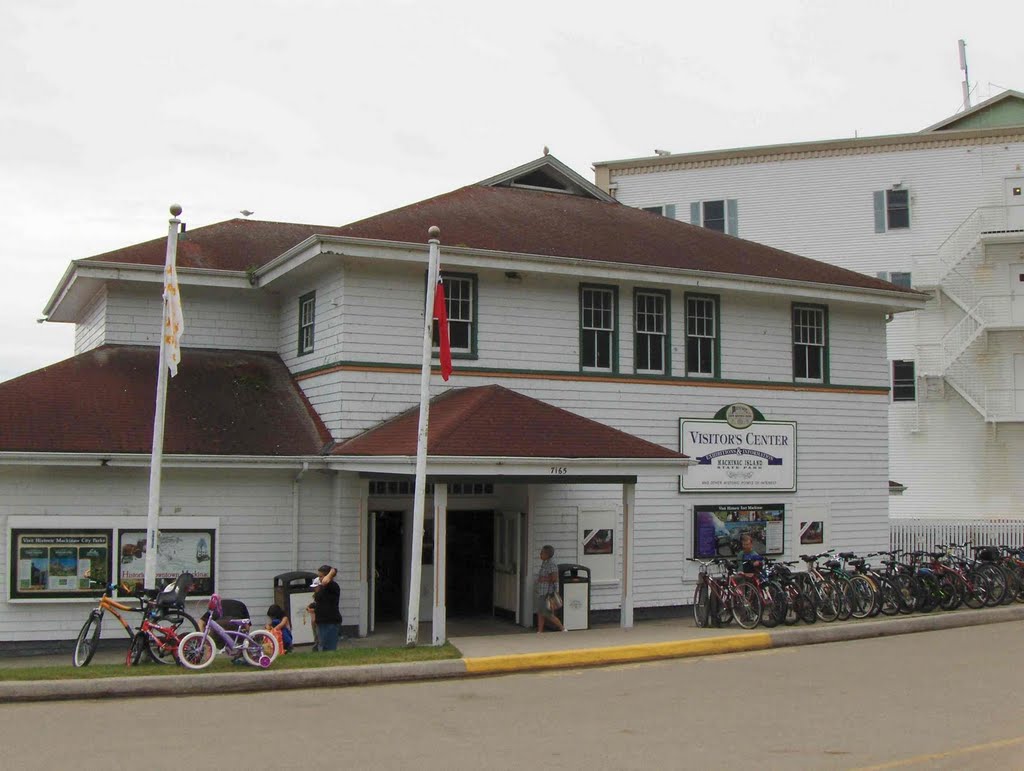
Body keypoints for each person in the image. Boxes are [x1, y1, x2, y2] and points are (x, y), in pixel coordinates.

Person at [535, 545, 565, 633]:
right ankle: (540, 630)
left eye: (542, 553)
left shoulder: (551, 564)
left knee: (547, 613)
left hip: (547, 592)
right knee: (540, 612)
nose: (540, 554)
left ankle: (562, 628)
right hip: (542, 591)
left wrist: (543, 579)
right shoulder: (544, 563)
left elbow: (554, 578)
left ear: (547, 554)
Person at [311, 564, 341, 651]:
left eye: (321, 576)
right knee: (322, 646)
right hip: (321, 621)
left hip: (330, 621)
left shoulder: (332, 586)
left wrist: (332, 571)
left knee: (329, 648)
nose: (320, 578)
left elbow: (325, 581)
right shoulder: (322, 588)